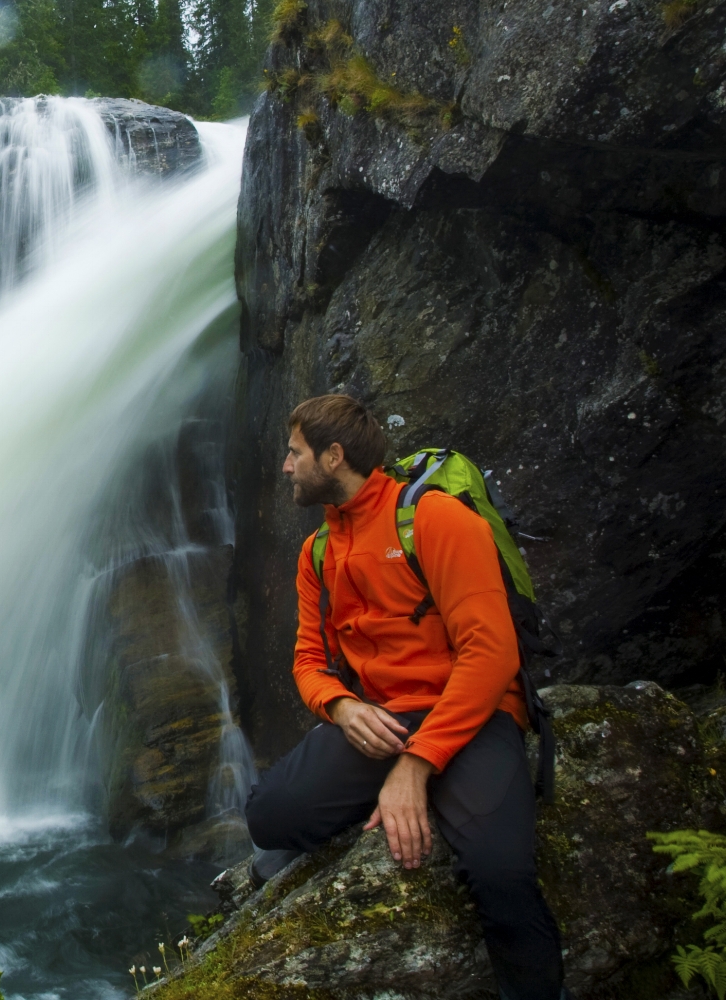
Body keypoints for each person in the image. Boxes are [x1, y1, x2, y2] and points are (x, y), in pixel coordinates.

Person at [242, 394, 566, 1000]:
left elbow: (491, 655)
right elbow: (310, 661)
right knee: (268, 815)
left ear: (333, 457)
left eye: (295, 454)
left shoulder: (436, 520)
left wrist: (416, 767)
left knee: (501, 875)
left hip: (470, 713)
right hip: (383, 717)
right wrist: (342, 707)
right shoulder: (316, 553)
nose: (285, 467)